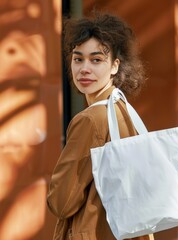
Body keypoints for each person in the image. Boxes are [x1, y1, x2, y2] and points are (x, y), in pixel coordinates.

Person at [47, 11, 152, 240]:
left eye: (96, 60)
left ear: (115, 66)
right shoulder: (122, 107)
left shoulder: (91, 119)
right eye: (78, 59)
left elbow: (61, 202)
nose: (84, 68)